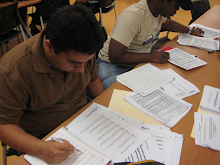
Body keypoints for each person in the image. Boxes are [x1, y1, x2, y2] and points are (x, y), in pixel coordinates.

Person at [0, 4, 105, 164]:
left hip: (83, 123)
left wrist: (106, 113)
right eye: (73, 63)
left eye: (87, 61)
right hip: (43, 138)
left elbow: (94, 83)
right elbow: (4, 125)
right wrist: (41, 148)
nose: (81, 69)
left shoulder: (82, 54)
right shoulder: (13, 70)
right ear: (49, 46)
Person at [97, 0, 204, 89]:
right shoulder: (133, 16)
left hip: (137, 61)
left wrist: (189, 31)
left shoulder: (157, 12)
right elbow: (115, 56)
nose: (176, 10)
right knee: (119, 96)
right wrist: (152, 56)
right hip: (111, 65)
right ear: (162, 1)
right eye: (176, 6)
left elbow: (169, 24)